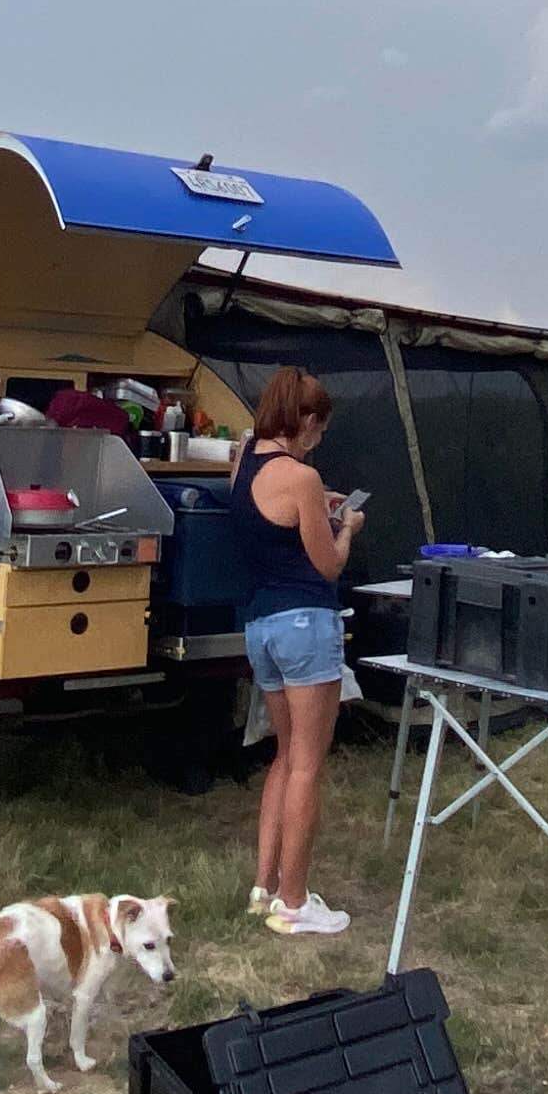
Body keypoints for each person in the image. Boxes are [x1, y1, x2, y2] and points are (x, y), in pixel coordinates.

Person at [228, 367, 363, 936]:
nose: (320, 441)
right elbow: (328, 563)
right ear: (304, 421)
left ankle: (264, 888)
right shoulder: (301, 478)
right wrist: (347, 525)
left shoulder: (240, 462)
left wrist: (316, 506)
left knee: (284, 759)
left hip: (259, 626)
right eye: (319, 430)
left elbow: (273, 522)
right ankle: (296, 901)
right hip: (307, 625)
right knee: (308, 764)